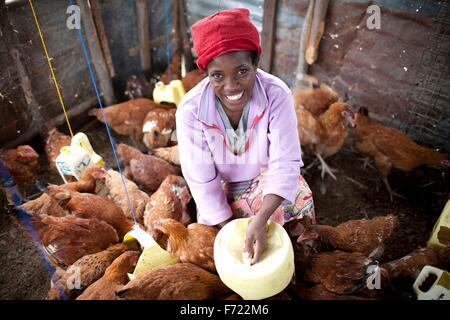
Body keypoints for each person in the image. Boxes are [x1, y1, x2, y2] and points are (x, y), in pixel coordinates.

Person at [176, 8, 315, 264]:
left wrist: (260, 219)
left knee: (297, 193)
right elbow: (201, 180)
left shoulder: (276, 94)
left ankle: (294, 257)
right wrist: (230, 228)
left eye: (241, 71)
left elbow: (286, 163)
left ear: (255, 64)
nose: (230, 86)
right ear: (207, 74)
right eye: (218, 76)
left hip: (266, 181)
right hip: (221, 189)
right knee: (224, 254)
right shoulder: (191, 110)